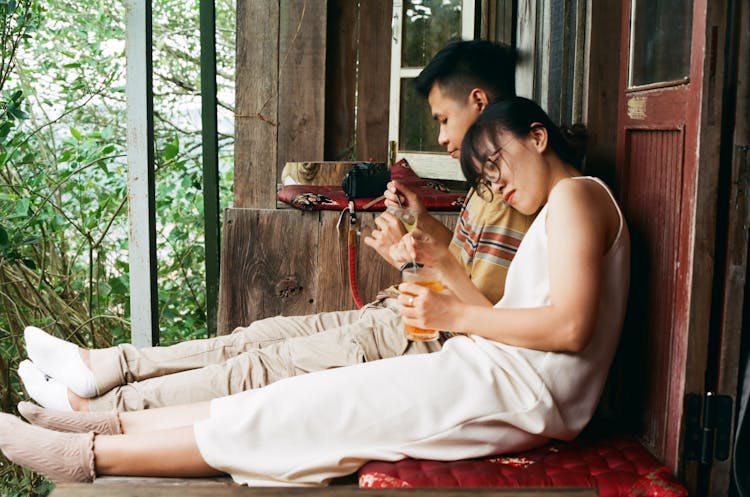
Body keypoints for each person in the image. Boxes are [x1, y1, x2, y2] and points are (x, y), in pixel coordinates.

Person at [0, 97, 630, 486]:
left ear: (539, 137)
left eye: (496, 165)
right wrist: (440, 266)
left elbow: (568, 330)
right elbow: (511, 318)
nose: (495, 184)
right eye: (483, 175)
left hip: (512, 393)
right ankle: (105, 425)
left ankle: (89, 456)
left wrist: (455, 312)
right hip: (487, 370)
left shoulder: (577, 196)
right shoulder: (562, 208)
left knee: (302, 416)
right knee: (296, 392)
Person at [17, 40, 534, 414]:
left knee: (258, 368)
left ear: (480, 104)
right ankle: (104, 366)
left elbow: (483, 313)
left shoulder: (519, 191)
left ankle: (101, 412)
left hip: (424, 339)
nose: (441, 136)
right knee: (254, 338)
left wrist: (418, 260)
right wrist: (420, 221)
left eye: (443, 119)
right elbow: (467, 260)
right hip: (395, 315)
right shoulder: (491, 182)